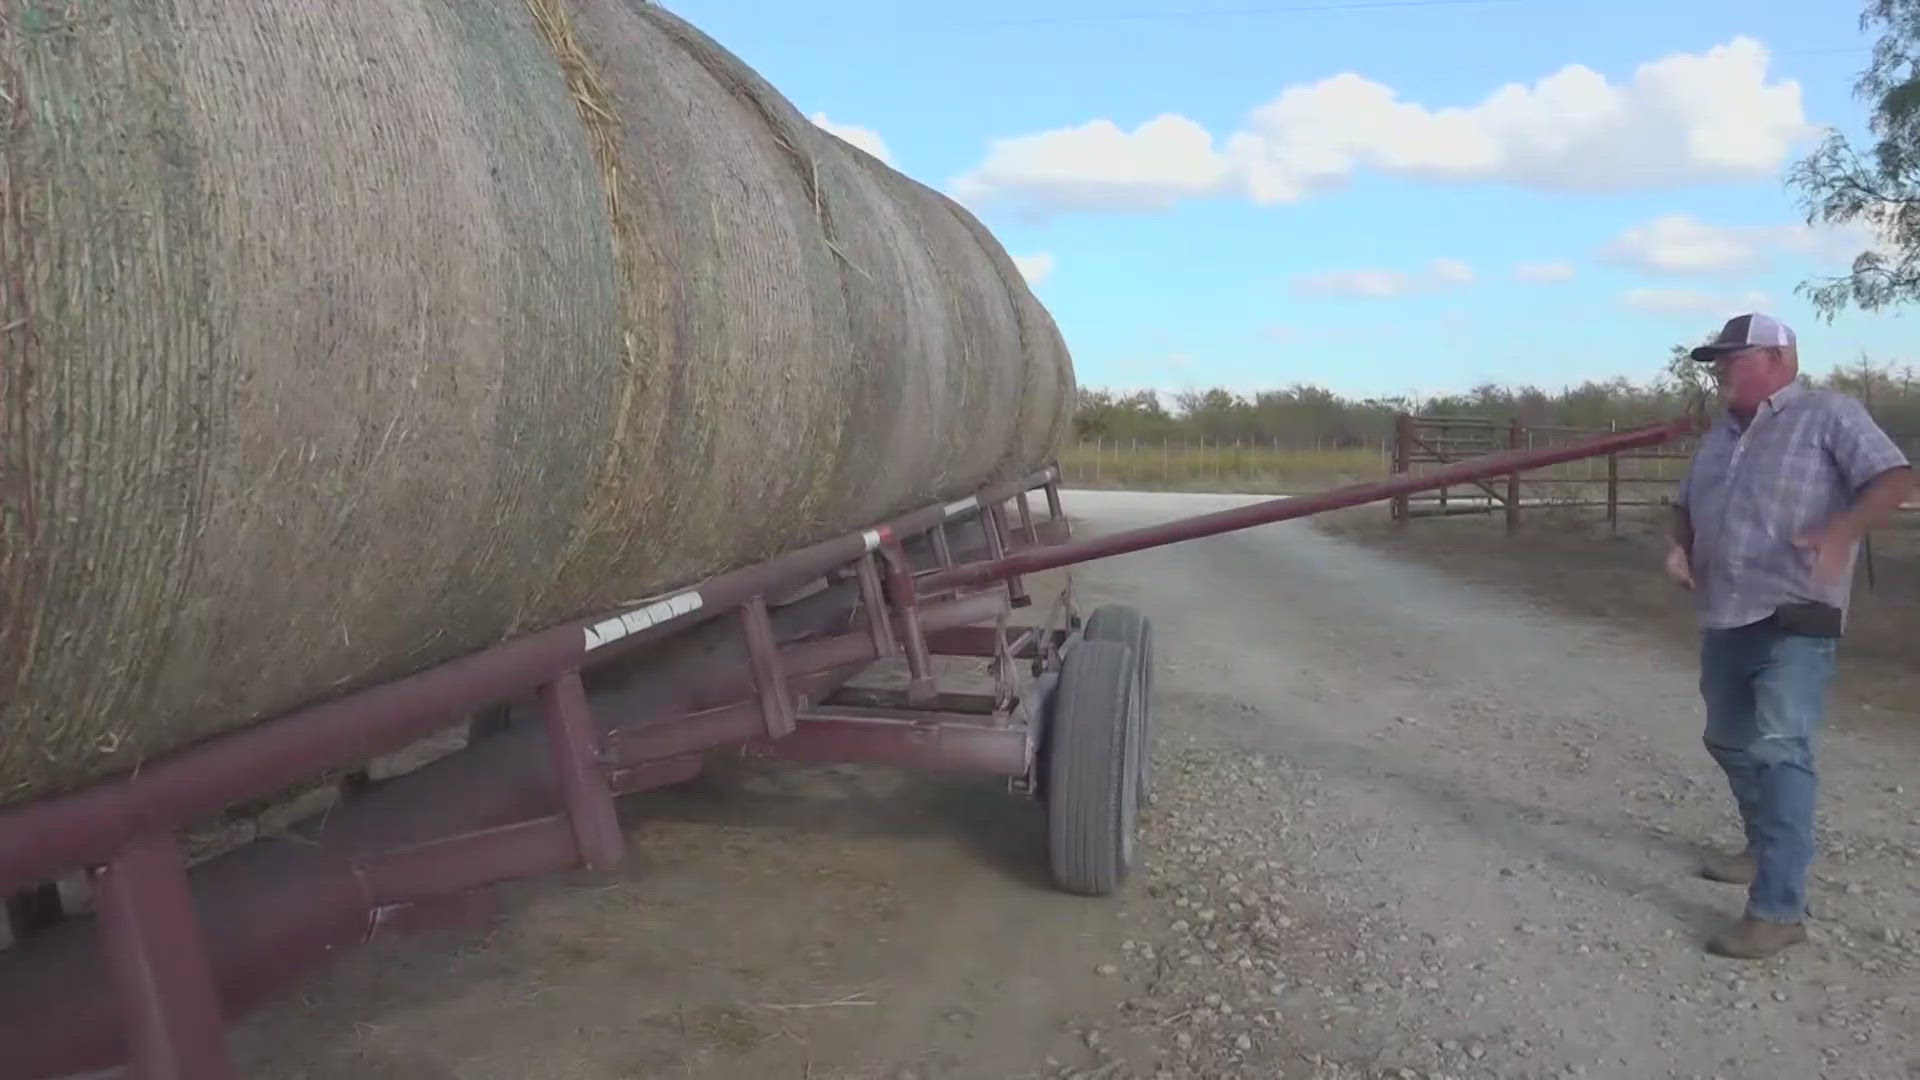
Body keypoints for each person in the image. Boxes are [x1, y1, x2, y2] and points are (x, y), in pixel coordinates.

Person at [1666, 312, 1913, 959]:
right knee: (1727, 736)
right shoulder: (1721, 435)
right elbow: (1685, 503)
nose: (1719, 371)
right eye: (1716, 360)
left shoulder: (1828, 413)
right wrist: (1680, 549)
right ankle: (1761, 843)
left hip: (1799, 611)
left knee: (1778, 746)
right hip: (1726, 609)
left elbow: (1894, 477)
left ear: (1777, 359)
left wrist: (1841, 532)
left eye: (1731, 359)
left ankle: (1778, 909)